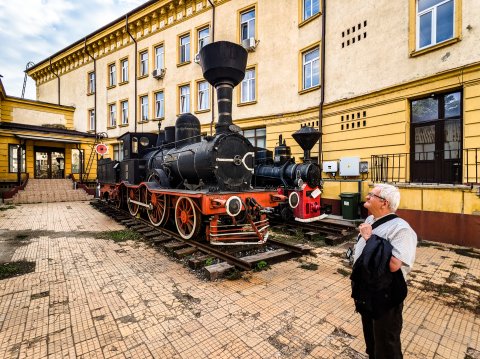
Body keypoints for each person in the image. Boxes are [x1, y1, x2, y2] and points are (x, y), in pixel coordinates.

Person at [352, 183, 417, 359]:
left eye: (371, 194)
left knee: (387, 343)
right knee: (371, 338)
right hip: (367, 291)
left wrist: (369, 238)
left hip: (386, 295)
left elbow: (394, 264)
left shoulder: (401, 229)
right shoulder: (370, 220)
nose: (367, 197)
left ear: (384, 202)